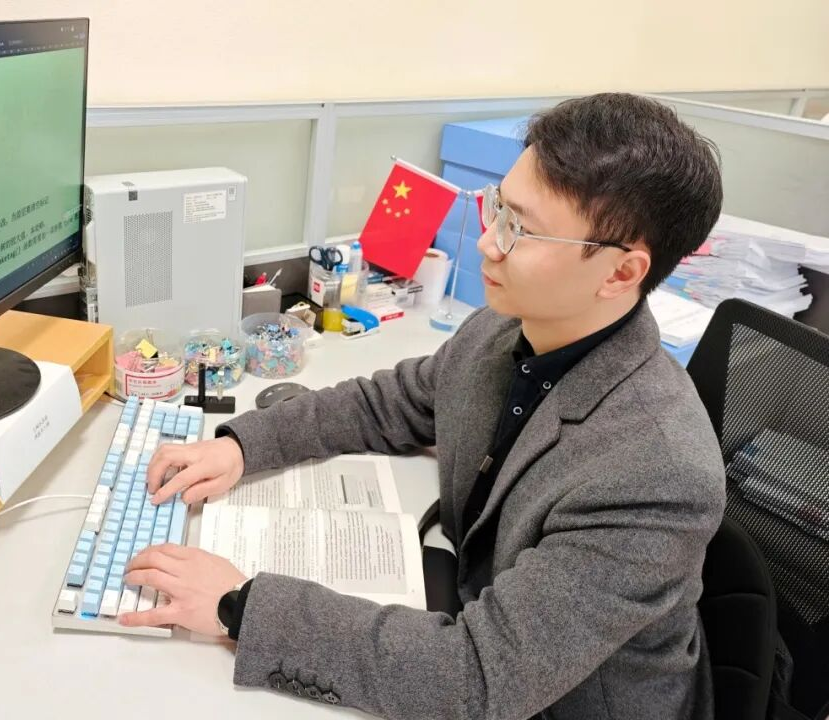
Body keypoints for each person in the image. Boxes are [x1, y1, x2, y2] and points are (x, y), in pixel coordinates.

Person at [120, 93, 727, 720]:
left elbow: (475, 679)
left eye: (521, 229)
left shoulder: (658, 471)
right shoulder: (507, 326)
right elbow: (392, 402)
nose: (488, 243)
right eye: (498, 208)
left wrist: (240, 605)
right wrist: (245, 446)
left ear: (621, 273)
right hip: (474, 603)